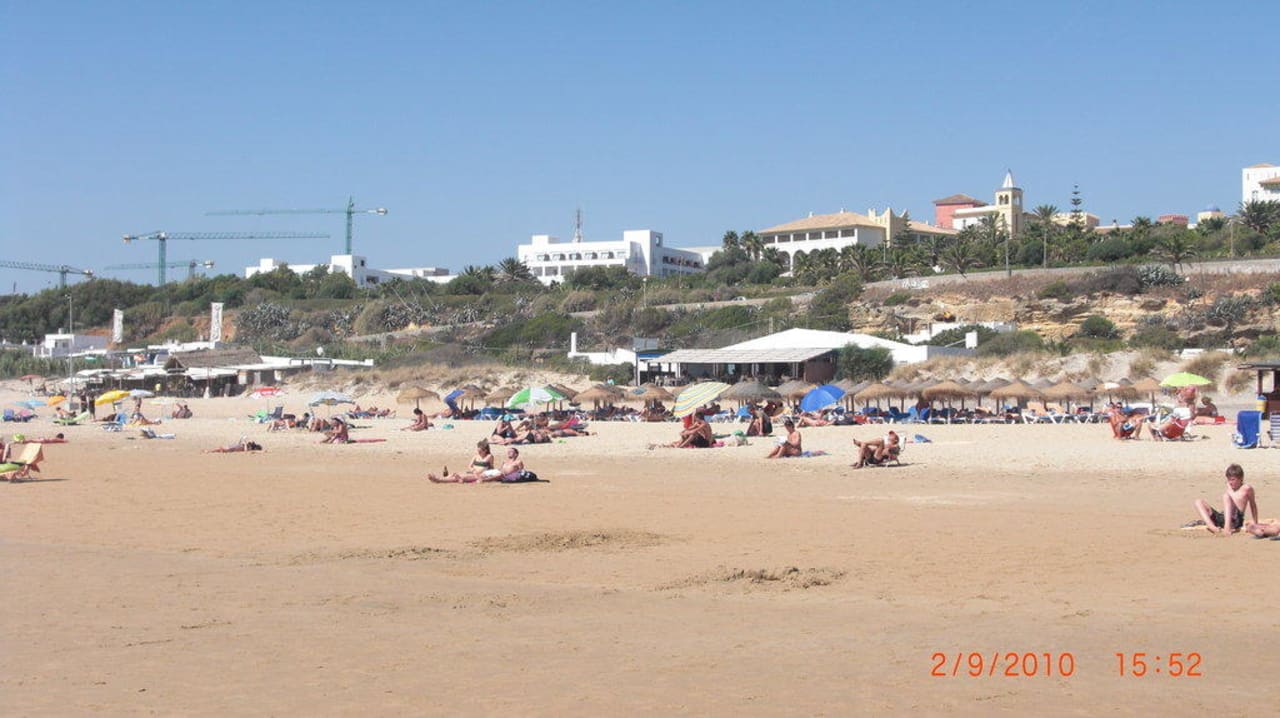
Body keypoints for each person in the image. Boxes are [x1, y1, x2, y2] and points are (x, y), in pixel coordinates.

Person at [1191, 464, 1258, 535]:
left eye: (1233, 479)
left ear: (1241, 478)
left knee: (1226, 496)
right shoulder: (1229, 486)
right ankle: (1212, 527)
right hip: (1224, 517)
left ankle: (1227, 528)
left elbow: (1253, 505)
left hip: (1235, 520)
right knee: (1198, 502)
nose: (1230, 482)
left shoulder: (1247, 488)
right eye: (1229, 480)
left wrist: (1255, 522)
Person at [430, 446, 531, 484]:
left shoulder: (518, 462)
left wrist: (485, 480)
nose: (509, 453)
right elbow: (498, 470)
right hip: (494, 472)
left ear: (516, 454)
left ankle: (440, 480)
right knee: (463, 474)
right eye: (508, 451)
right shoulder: (505, 462)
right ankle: (447, 478)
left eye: (511, 452)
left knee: (467, 477)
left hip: (498, 475)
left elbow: (520, 473)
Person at [426, 440, 496, 482]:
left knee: (461, 477)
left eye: (480, 451)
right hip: (472, 472)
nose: (479, 452)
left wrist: (491, 475)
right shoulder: (476, 456)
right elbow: (469, 466)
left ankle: (439, 480)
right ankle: (441, 478)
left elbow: (491, 467)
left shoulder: (489, 456)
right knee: (454, 474)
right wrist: (472, 470)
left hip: (479, 475)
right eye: (478, 450)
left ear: (485, 450)